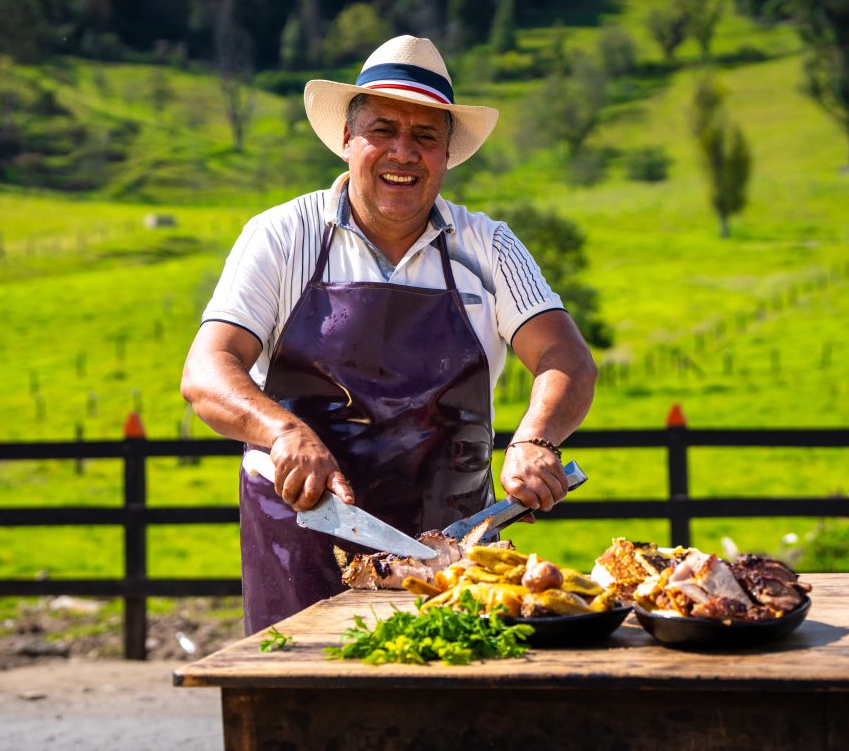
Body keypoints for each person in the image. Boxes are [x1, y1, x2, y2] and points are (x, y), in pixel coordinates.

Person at [181, 35, 598, 633]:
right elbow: (206, 371)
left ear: (448, 153)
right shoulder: (281, 236)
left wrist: (536, 440)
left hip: (452, 547)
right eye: (383, 130)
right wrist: (283, 432)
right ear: (348, 140)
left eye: (425, 136)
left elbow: (566, 358)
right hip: (304, 533)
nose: (403, 153)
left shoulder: (490, 246)